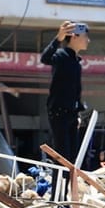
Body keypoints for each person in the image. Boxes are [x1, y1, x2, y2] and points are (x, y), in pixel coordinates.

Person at [41, 20, 89, 162]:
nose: (88, 40)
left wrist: (78, 112)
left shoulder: (76, 61)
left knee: (73, 158)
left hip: (72, 114)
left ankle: (69, 184)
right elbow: (45, 58)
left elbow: (75, 90)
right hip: (59, 112)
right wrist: (58, 38)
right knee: (62, 157)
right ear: (74, 36)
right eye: (85, 36)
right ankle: (58, 184)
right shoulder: (61, 56)